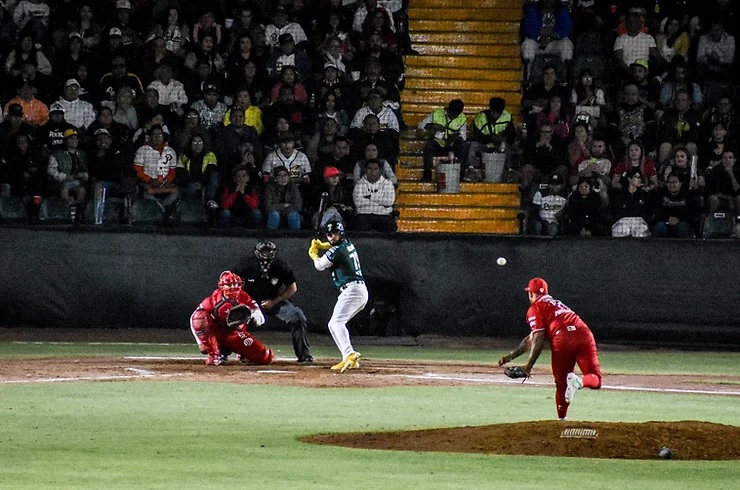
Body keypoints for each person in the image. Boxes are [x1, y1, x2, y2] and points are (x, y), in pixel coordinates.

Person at [498, 277, 603, 420]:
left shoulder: (535, 308)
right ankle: (579, 382)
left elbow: (538, 338)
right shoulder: (558, 304)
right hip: (584, 333)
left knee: (562, 384)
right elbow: (531, 339)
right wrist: (511, 356)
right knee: (595, 378)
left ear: (530, 294)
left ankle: (562, 420)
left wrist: (529, 366)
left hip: (563, 338)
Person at [232, 240, 313, 363]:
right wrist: (243, 301)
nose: (265, 256)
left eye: (268, 252)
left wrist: (274, 302)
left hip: (274, 300)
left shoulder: (281, 266)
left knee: (298, 316)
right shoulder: (245, 265)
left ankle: (304, 355)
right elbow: (232, 282)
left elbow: (292, 288)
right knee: (229, 317)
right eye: (263, 252)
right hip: (249, 301)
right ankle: (225, 353)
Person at [308, 220, 368, 373]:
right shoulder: (347, 244)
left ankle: (349, 354)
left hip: (352, 290)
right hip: (356, 290)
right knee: (336, 323)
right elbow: (334, 247)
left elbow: (320, 265)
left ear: (341, 233)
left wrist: (314, 254)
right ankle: (348, 357)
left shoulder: (337, 250)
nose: (332, 237)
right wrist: (322, 245)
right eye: (329, 234)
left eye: (335, 233)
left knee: (336, 323)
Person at [189, 271, 273, 366]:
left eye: (235, 284)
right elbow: (194, 318)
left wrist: (253, 319)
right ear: (222, 286)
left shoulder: (244, 297)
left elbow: (260, 317)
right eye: (229, 285)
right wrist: (200, 341)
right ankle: (215, 354)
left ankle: (241, 352)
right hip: (217, 334)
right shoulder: (214, 299)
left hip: (235, 334)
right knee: (200, 317)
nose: (233, 288)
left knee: (265, 357)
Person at [418, 99, 468, 182]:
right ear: (448, 110)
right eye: (451, 114)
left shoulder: (462, 118)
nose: (453, 116)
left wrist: (454, 137)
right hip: (438, 144)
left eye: (455, 115)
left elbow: (463, 137)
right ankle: (427, 174)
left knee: (464, 145)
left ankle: (461, 174)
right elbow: (421, 126)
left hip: (452, 146)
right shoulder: (437, 113)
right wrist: (433, 125)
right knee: (429, 145)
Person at [352, 158, 397, 232]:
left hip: (384, 215)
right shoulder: (359, 184)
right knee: (359, 225)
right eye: (370, 168)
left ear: (380, 171)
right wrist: (380, 202)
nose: (373, 172)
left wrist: (370, 197)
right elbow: (358, 202)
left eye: (376, 169)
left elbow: (389, 202)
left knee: (389, 227)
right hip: (363, 214)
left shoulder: (387, 184)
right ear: (366, 170)